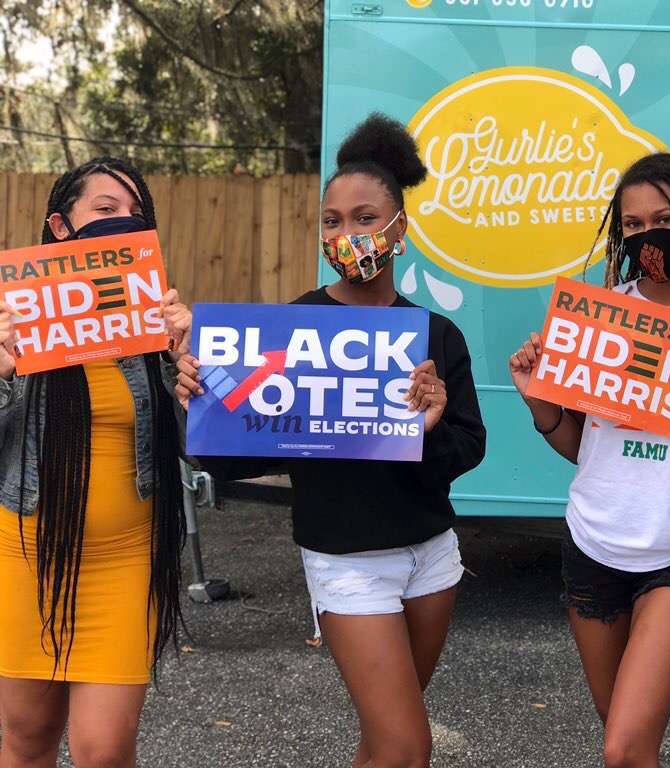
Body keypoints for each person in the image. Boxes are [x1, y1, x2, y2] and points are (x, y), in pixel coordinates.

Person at [175, 113, 486, 768]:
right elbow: (227, 457)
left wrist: (427, 432)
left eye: (365, 218)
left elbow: (467, 450)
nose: (347, 235)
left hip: (432, 557)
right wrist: (199, 403)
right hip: (345, 563)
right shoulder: (291, 328)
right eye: (332, 221)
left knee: (385, 741)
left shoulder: (437, 336)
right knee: (408, 746)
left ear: (400, 228)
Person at [508, 153, 670, 768]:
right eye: (633, 225)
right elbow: (581, 450)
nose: (648, 237)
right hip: (592, 543)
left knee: (624, 747)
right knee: (622, 736)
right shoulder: (595, 317)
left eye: (663, 220)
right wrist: (539, 403)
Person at [0, 157, 193, 767]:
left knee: (104, 750)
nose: (122, 220)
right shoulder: (12, 324)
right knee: (27, 740)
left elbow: (202, 446)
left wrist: (189, 366)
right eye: (105, 209)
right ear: (60, 226)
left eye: (135, 212)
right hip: (24, 557)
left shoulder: (157, 327)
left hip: (128, 561)